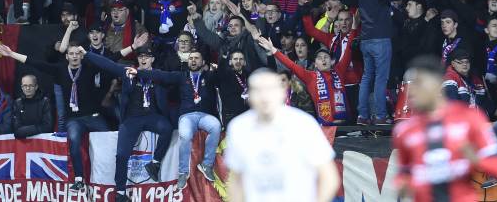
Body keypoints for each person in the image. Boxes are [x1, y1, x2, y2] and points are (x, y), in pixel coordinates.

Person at [0, 42, 110, 193]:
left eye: (78, 53)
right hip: (74, 119)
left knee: (109, 137)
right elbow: (35, 63)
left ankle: (109, 176)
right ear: (67, 56)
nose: (75, 56)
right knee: (73, 140)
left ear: (82, 56)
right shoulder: (60, 69)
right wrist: (11, 54)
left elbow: (111, 60)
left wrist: (133, 47)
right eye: (72, 54)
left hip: (93, 116)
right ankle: (79, 179)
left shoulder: (89, 67)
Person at [393, 56, 497, 202]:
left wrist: (475, 158)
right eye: (410, 85)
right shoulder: (405, 131)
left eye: (419, 84)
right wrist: (403, 184)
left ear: (438, 84)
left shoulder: (469, 119)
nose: (412, 91)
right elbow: (403, 174)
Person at [225, 69, 340, 202]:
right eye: (257, 90)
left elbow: (329, 177)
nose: (264, 96)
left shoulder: (303, 123)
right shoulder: (238, 128)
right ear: (249, 95)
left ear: (281, 92)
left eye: (270, 89)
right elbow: (236, 180)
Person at [81, 47, 174, 199]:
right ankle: (120, 193)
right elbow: (107, 64)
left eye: (147, 56)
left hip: (152, 116)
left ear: (153, 59)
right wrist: (87, 54)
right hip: (132, 118)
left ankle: (155, 163)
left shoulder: (157, 75)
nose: (143, 59)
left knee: (167, 128)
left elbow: (173, 78)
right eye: (140, 57)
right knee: (121, 155)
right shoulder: (128, 72)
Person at [129, 49, 220, 191]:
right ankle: (183, 172)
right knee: (184, 135)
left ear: (203, 62)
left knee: (216, 126)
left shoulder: (209, 76)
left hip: (204, 115)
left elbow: (226, 77)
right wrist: (138, 72)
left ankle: (207, 165)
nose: (194, 61)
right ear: (187, 61)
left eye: (197, 58)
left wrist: (219, 67)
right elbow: (160, 75)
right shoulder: (181, 76)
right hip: (187, 117)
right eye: (191, 58)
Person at [357, 0, 430, 124]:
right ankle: (381, 115)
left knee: (367, 77)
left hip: (366, 38)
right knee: (380, 78)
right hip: (379, 39)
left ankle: (363, 116)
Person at [258, 37, 355, 125]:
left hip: (346, 123)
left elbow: (348, 52)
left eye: (326, 57)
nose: (323, 60)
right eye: (320, 58)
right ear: (315, 64)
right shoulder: (310, 77)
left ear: (332, 61)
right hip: (327, 126)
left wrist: (354, 29)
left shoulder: (339, 71)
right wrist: (273, 50)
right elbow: (291, 65)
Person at [12, 73, 54, 138]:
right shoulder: (18, 103)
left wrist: (25, 131)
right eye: (25, 86)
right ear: (22, 87)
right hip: (24, 143)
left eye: (31, 85)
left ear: (36, 87)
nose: (28, 88)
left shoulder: (45, 102)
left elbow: (48, 126)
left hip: (42, 143)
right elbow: (16, 128)